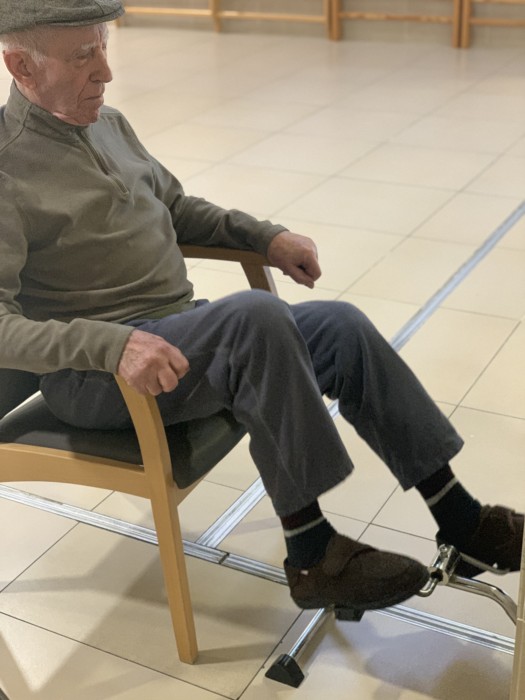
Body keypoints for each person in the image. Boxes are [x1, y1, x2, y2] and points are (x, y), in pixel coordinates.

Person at [0, 0, 522, 618]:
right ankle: (312, 552)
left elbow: (175, 208)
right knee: (255, 318)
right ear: (21, 67)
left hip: (176, 334)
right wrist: (113, 346)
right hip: (99, 375)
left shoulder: (109, 122)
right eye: (84, 56)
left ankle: (459, 517)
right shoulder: (7, 168)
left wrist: (263, 237)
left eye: (105, 46)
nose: (106, 71)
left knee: (341, 327)